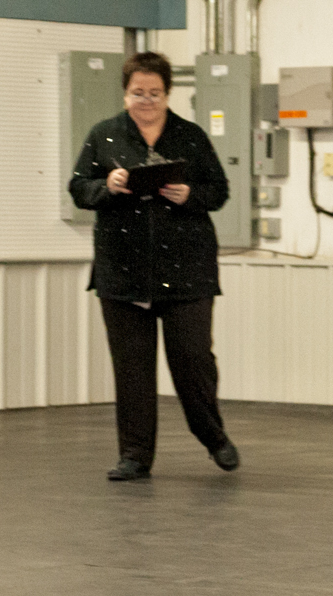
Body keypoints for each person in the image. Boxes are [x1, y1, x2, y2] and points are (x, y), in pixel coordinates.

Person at [69, 52, 239, 481]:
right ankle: (135, 455)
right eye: (138, 93)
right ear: (125, 93)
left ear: (168, 93)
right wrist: (106, 186)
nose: (146, 101)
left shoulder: (191, 136)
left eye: (155, 93)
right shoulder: (104, 135)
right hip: (122, 271)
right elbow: (78, 188)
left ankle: (213, 436)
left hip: (187, 270)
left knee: (194, 360)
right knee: (132, 367)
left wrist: (189, 195)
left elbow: (218, 190)